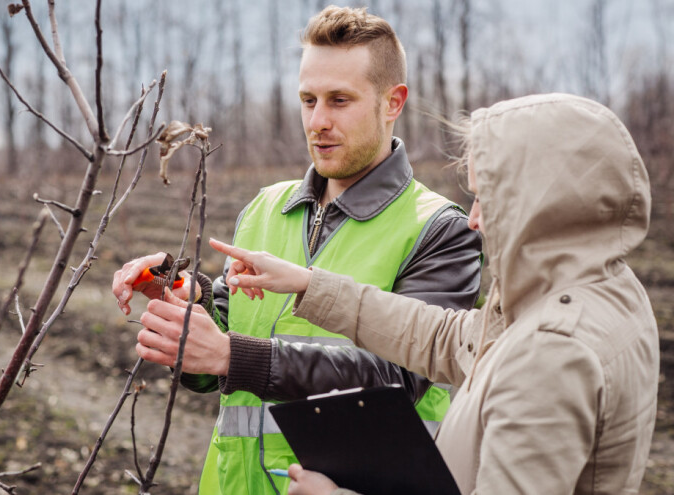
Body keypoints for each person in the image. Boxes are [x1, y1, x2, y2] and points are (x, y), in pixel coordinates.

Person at [208, 93, 660, 495]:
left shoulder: (554, 352)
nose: (473, 220)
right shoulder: (598, 290)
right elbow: (442, 335)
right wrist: (309, 284)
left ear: (543, 208)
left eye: (486, 199)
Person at [112, 6, 483, 494]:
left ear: (393, 102)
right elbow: (222, 349)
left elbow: (398, 378)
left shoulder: (440, 231)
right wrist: (186, 296)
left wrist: (231, 355)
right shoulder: (266, 208)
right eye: (308, 100)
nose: (318, 121)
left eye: (339, 100)